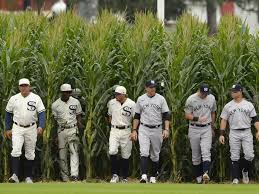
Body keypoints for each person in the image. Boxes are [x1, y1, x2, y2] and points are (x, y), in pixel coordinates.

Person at [5, 78, 46, 183]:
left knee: (30, 153)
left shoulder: (36, 98)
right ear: (19, 87)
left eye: (26, 85)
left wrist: (41, 126)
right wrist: (8, 128)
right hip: (17, 127)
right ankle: (15, 176)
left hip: (31, 128)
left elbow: (41, 113)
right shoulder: (14, 98)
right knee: (16, 150)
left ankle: (28, 177)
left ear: (29, 86)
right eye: (22, 86)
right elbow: (8, 113)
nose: (24, 87)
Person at [131, 80, 170, 183]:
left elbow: (166, 115)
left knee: (155, 155)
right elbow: (137, 116)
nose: (153, 89)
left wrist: (166, 129)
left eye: (154, 87)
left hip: (157, 128)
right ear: (146, 88)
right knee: (144, 151)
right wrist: (134, 130)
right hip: (144, 128)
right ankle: (143, 176)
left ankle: (153, 176)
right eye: (150, 87)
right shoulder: (141, 99)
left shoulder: (161, 99)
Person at [219, 83, 259, 184]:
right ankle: (235, 178)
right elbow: (224, 120)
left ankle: (245, 171)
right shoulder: (228, 106)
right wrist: (221, 134)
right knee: (234, 156)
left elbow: (255, 119)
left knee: (249, 155)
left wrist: (258, 130)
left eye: (235, 91)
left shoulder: (248, 104)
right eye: (232, 91)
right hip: (234, 132)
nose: (232, 93)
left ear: (240, 92)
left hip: (246, 131)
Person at [184, 83, 216, 184]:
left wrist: (212, 127)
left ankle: (205, 174)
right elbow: (187, 115)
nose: (204, 95)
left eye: (206, 93)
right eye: (203, 93)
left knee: (206, 151)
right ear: (199, 90)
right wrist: (197, 118)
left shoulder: (211, 98)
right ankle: (198, 178)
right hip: (194, 128)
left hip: (206, 127)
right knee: (196, 155)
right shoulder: (191, 99)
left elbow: (213, 112)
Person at [52, 83, 83, 182]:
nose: (66, 94)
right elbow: (54, 121)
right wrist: (55, 135)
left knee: (74, 151)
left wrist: (80, 127)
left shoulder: (76, 102)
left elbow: (78, 116)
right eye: (64, 92)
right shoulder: (55, 104)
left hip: (73, 129)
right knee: (62, 154)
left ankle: (74, 175)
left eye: (68, 92)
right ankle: (65, 177)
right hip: (61, 130)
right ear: (61, 93)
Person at [108, 86, 135, 183]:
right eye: (115, 94)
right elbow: (110, 116)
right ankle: (115, 175)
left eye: (118, 94)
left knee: (126, 154)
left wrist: (134, 131)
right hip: (114, 130)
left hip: (126, 130)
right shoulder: (111, 103)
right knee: (112, 150)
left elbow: (135, 118)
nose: (116, 96)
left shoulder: (132, 104)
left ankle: (124, 177)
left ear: (124, 94)